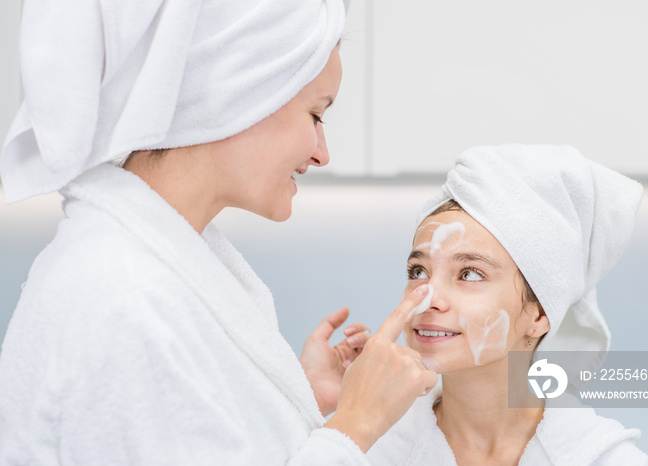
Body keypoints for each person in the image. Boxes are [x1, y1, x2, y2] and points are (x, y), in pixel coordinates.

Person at [0, 1, 437, 464]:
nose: (322, 154)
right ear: (241, 93)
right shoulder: (124, 299)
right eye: (315, 114)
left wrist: (289, 399)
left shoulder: (158, 272)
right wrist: (357, 425)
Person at [367, 145, 648, 465]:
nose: (428, 298)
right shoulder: (368, 448)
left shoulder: (604, 459)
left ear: (540, 313)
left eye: (469, 274)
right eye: (418, 272)